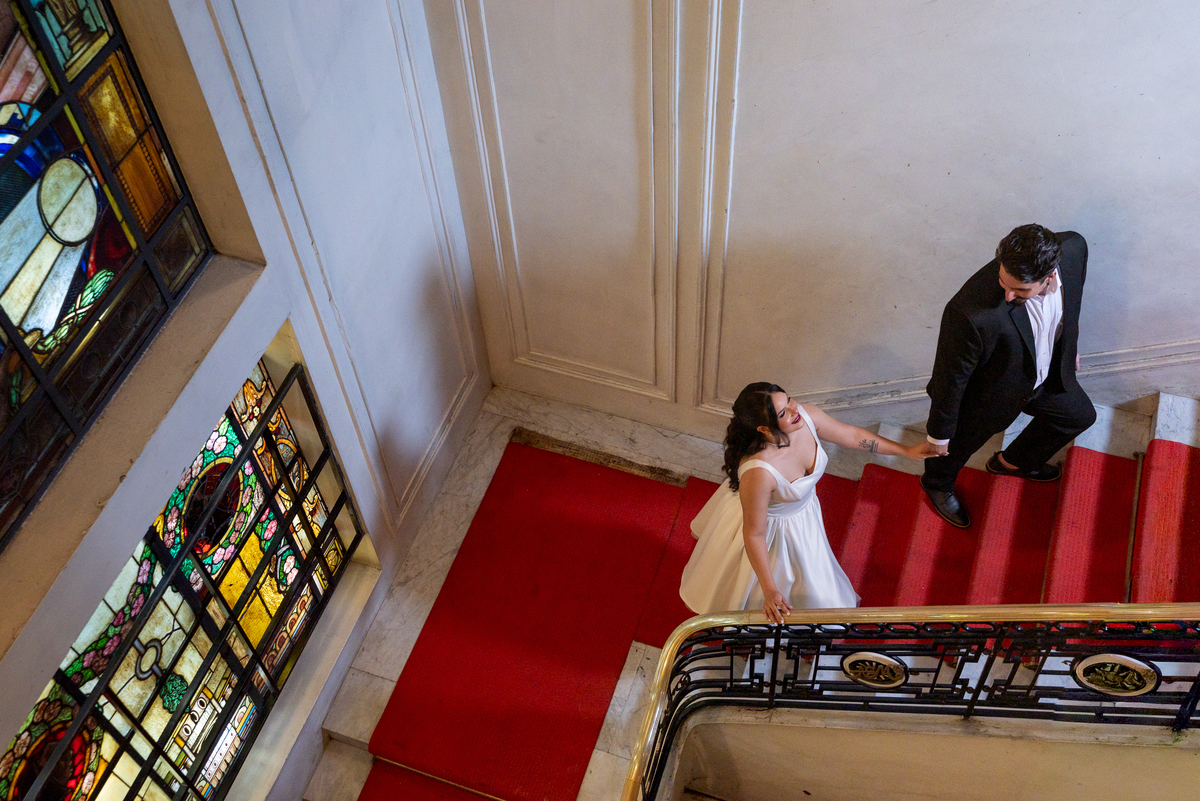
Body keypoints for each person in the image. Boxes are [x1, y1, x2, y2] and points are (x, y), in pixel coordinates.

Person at [680, 382, 939, 624]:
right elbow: (754, 534)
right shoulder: (758, 473)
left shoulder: (806, 417)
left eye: (790, 400)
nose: (796, 410)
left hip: (804, 516)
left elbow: (851, 435)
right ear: (764, 429)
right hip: (773, 530)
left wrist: (906, 451)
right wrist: (769, 590)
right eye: (784, 412)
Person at [921, 224, 1096, 528]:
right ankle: (936, 483)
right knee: (955, 447)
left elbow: (1073, 303)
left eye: (1020, 290)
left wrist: (1070, 347)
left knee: (1079, 416)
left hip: (1046, 376)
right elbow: (950, 379)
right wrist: (938, 436)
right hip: (991, 392)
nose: (1008, 294)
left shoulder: (1074, 249)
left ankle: (1012, 463)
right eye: (1003, 281)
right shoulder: (966, 312)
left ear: (1049, 276)